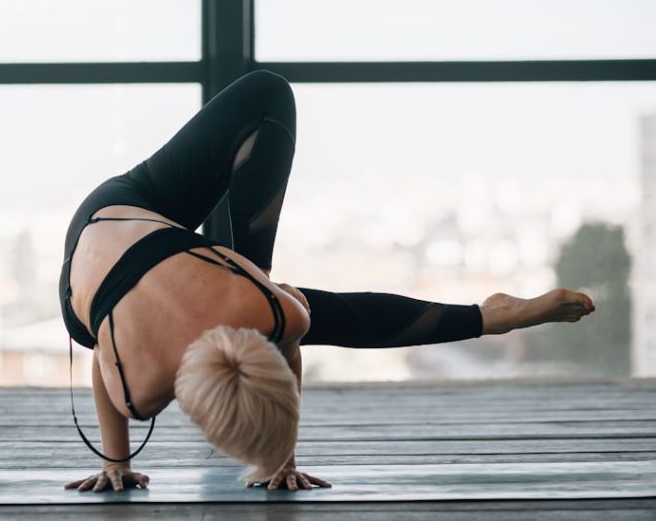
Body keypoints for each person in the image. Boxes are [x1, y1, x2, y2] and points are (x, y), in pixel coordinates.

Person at [59, 70, 595, 493]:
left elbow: (288, 340)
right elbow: (107, 364)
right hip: (112, 241)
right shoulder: (138, 385)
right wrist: (115, 463)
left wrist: (283, 460)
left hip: (139, 230)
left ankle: (486, 316)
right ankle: (489, 316)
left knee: (269, 96)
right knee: (313, 314)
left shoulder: (263, 311)